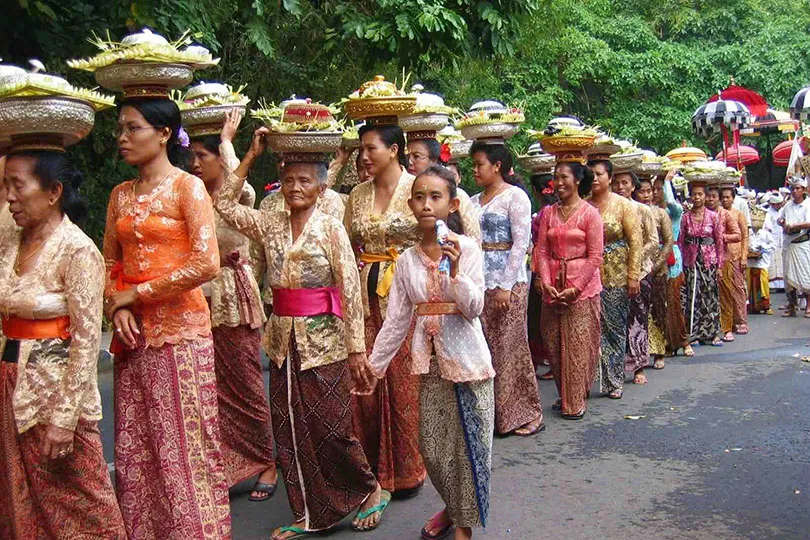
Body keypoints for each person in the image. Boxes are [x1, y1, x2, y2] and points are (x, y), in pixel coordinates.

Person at [216, 126, 388, 539]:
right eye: (289, 180)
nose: (296, 188)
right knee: (290, 426)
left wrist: (356, 349)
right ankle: (310, 512)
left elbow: (349, 287)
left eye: (305, 180)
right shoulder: (270, 224)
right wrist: (249, 157)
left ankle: (368, 489)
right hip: (282, 341)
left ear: (321, 185)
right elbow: (224, 202)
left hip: (325, 340)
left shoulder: (330, 228)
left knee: (331, 426)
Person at [103, 97, 231, 539]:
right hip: (133, 340)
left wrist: (135, 294)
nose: (122, 137)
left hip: (181, 336)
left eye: (132, 128)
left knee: (185, 449)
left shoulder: (186, 188)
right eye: (120, 128)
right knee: (137, 452)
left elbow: (206, 263)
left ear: (162, 134)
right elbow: (108, 263)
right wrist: (116, 306)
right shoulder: (119, 194)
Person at [0, 150, 127, 539]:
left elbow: (88, 342)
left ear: (53, 191)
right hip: (9, 388)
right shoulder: (9, 242)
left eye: (17, 186)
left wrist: (64, 419)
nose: (9, 198)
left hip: (56, 400)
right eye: (5, 186)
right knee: (19, 500)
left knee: (87, 510)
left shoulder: (77, 250)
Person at [363, 165, 494, 540]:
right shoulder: (405, 261)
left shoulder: (466, 249)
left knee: (470, 449)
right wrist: (375, 367)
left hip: (469, 362)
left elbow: (473, 308)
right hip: (429, 363)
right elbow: (396, 320)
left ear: (452, 204)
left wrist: (454, 272)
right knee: (434, 450)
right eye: (419, 197)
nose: (426, 204)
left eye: (435, 197)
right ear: (410, 204)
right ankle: (454, 509)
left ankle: (463, 527)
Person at [187, 112, 277, 500]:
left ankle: (267, 462)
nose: (194, 163)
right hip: (198, 294)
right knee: (210, 386)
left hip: (234, 295)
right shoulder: (189, 195)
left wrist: (228, 140)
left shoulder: (241, 195)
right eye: (191, 156)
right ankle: (225, 463)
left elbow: (235, 186)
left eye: (201, 157)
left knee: (246, 384)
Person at [344, 123, 427, 496]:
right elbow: (345, 246)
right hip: (364, 294)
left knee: (404, 378)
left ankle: (408, 469)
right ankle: (370, 469)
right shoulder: (358, 194)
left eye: (370, 148)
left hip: (408, 293)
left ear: (394, 150)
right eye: (361, 148)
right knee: (364, 378)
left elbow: (445, 235)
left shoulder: (418, 187)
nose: (364, 156)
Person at [470, 141, 544, 436]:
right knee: (485, 349)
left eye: (479, 165)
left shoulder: (516, 197)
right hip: (479, 282)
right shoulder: (472, 201)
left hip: (508, 282)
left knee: (510, 347)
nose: (475, 170)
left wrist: (505, 286)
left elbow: (521, 244)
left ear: (496, 166)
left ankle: (527, 413)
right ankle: (493, 416)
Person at [534, 160, 603, 419]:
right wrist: (546, 282)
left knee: (577, 343)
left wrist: (575, 287)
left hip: (581, 286)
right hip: (553, 286)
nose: (559, 182)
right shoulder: (549, 213)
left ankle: (575, 401)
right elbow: (541, 250)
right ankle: (566, 393)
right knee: (552, 341)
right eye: (556, 177)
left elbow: (596, 256)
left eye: (564, 177)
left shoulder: (590, 213)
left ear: (577, 180)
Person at [588, 160, 642, 399]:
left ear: (609, 178)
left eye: (599, 174)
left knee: (614, 326)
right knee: (589, 328)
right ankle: (588, 379)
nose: (595, 178)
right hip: (588, 274)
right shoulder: (584, 205)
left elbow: (636, 242)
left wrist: (633, 275)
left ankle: (614, 379)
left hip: (616, 273)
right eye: (591, 174)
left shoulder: (623, 206)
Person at [613, 170, 658, 385]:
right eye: (617, 183)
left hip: (639, 273)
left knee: (638, 318)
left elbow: (653, 241)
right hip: (612, 272)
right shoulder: (608, 208)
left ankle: (639, 366)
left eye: (625, 183)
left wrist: (635, 260)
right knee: (615, 319)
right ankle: (616, 365)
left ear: (633, 187)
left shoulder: (642, 210)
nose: (620, 187)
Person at [406, 134, 482, 243]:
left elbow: (474, 239)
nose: (410, 162)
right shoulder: (402, 191)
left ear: (434, 160)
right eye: (407, 157)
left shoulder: (458, 194)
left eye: (416, 156)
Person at [680, 183, 725, 346]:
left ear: (705, 196)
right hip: (691, 261)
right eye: (694, 194)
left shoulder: (714, 216)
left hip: (709, 261)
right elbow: (680, 242)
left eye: (700, 194)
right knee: (693, 296)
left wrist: (720, 266)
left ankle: (712, 333)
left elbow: (719, 241)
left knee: (710, 295)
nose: (697, 197)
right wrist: (682, 267)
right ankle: (693, 333)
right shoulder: (685, 217)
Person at [654, 172, 693, 357]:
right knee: (661, 305)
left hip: (673, 259)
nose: (656, 193)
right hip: (656, 259)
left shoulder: (674, 211)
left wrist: (668, 181)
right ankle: (666, 343)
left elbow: (670, 202)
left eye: (659, 189)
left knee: (675, 302)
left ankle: (683, 341)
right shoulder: (651, 211)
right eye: (654, 189)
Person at [638, 175, 673, 370]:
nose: (646, 195)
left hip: (658, 268)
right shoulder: (633, 211)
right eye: (641, 191)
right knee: (640, 312)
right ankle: (640, 352)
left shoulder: (661, 213)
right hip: (638, 266)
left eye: (648, 191)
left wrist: (656, 263)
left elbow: (668, 241)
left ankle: (659, 351)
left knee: (659, 309)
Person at [529, 172, 558, 378]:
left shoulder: (544, 213)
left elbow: (541, 245)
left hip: (543, 264)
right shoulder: (554, 210)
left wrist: (539, 275)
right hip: (550, 263)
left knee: (542, 317)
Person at [719, 186, 749, 338]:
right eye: (723, 197)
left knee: (738, 288)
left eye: (728, 197)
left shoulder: (738, 215)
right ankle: (727, 321)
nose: (725, 200)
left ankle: (741, 320)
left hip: (736, 256)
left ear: (733, 198)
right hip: (722, 257)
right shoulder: (717, 214)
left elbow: (744, 236)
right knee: (724, 290)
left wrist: (744, 256)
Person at [778, 177, 810, 317]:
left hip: (802, 243)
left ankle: (809, 306)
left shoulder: (808, 205)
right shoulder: (788, 206)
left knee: (805, 276)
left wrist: (795, 226)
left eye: (798, 188)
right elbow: (780, 218)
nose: (795, 191)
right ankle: (792, 305)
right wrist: (782, 222)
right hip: (788, 243)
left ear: (803, 190)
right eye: (793, 188)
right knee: (788, 277)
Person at [766, 193, 785, 292]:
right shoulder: (767, 213)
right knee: (772, 262)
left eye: (779, 204)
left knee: (781, 262)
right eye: (776, 204)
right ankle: (772, 285)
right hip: (772, 240)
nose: (778, 206)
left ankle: (782, 285)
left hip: (782, 239)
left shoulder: (782, 211)